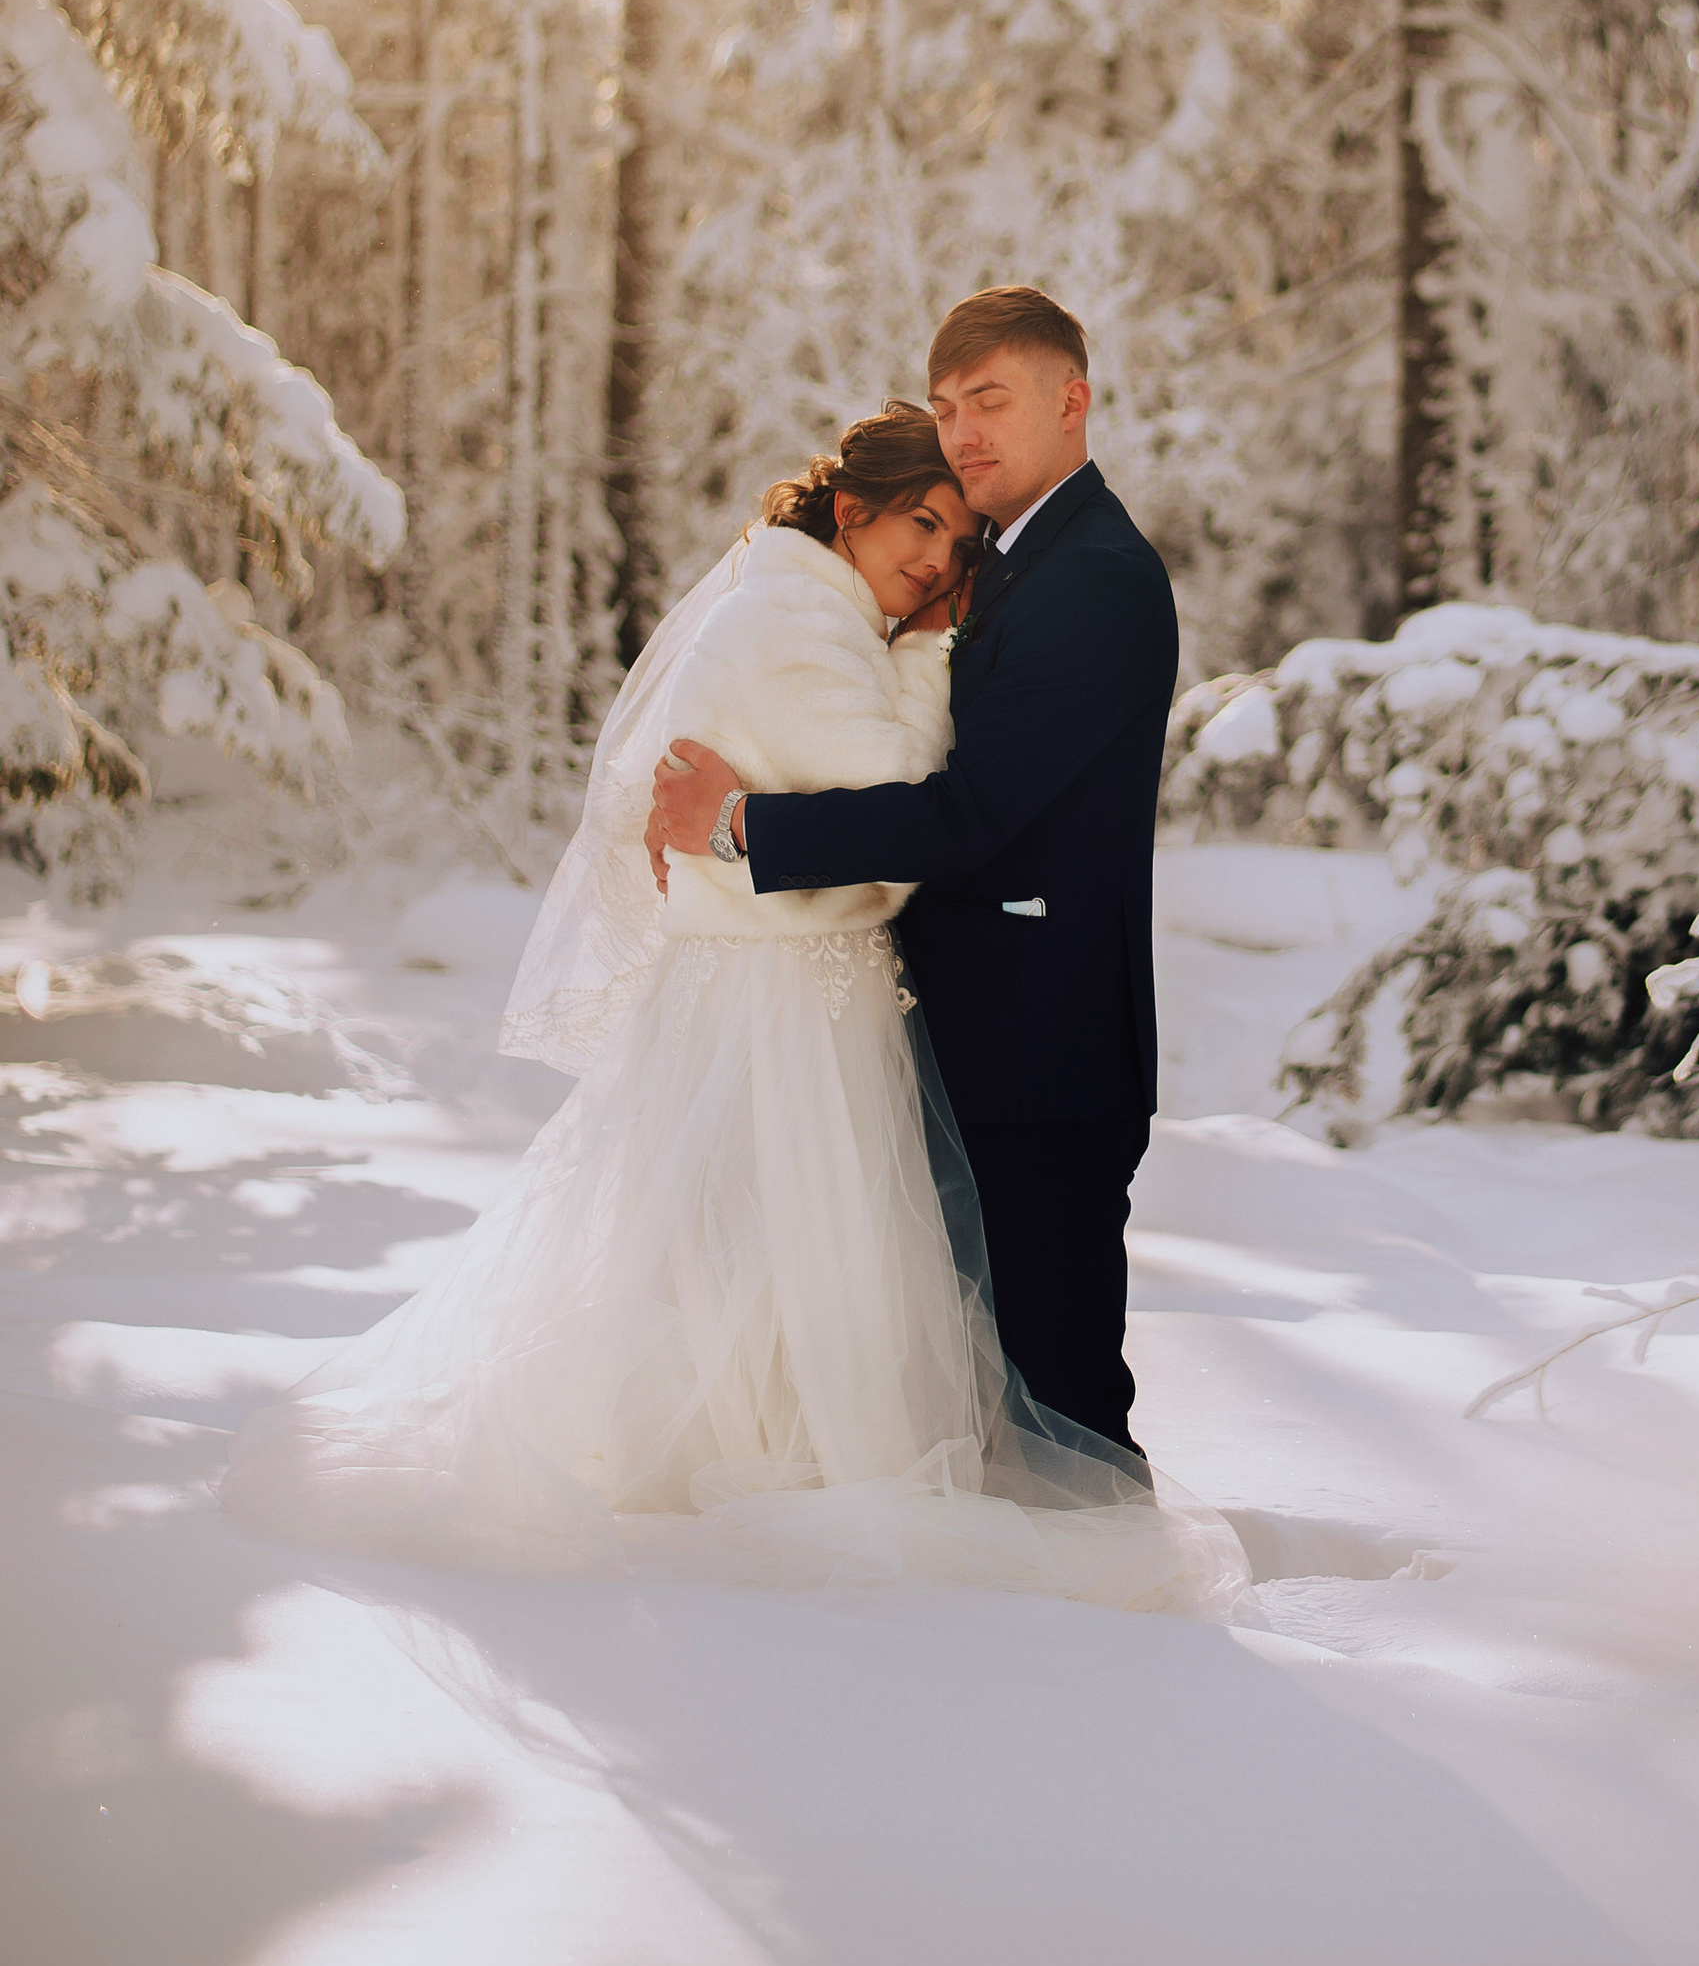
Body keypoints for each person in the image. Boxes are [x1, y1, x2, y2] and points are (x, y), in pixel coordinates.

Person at [224, 397, 1232, 1613]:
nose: (937, 562)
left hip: (798, 992)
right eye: (920, 525)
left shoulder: (817, 608)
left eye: (959, 546)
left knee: (780, 1259)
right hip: (779, 1004)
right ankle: (763, 1487)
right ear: (849, 512)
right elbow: (905, 808)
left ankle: (767, 1460)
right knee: (786, 1248)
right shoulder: (796, 624)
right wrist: (928, 647)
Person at [652, 285, 1174, 1465]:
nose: (965, 432)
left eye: (990, 400)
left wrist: (741, 823)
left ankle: (1120, 1634)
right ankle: (1005, 1630)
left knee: (1064, 1409)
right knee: (981, 1412)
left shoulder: (1094, 574)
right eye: (945, 408)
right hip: (970, 1046)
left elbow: (967, 816)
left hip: (1044, 1058)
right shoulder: (1004, 563)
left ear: (1071, 399)